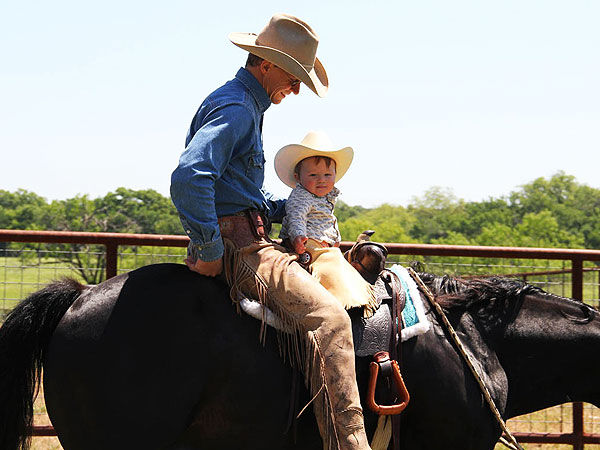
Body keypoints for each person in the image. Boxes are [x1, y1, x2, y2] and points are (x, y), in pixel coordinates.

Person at [170, 14, 372, 450]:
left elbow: (237, 192)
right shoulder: (240, 109)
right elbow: (190, 176)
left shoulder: (240, 103)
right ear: (265, 64)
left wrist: (302, 211)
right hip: (241, 249)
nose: (296, 88)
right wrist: (208, 248)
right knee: (332, 319)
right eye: (293, 76)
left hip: (246, 232)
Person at [275, 131, 378, 316]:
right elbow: (296, 215)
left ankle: (351, 298)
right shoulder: (301, 195)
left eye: (327, 174)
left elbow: (329, 220)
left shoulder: (324, 198)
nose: (321, 179)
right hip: (307, 245)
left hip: (322, 246)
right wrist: (298, 236)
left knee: (338, 261)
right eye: (313, 174)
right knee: (331, 267)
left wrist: (335, 238)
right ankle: (342, 303)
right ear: (298, 177)